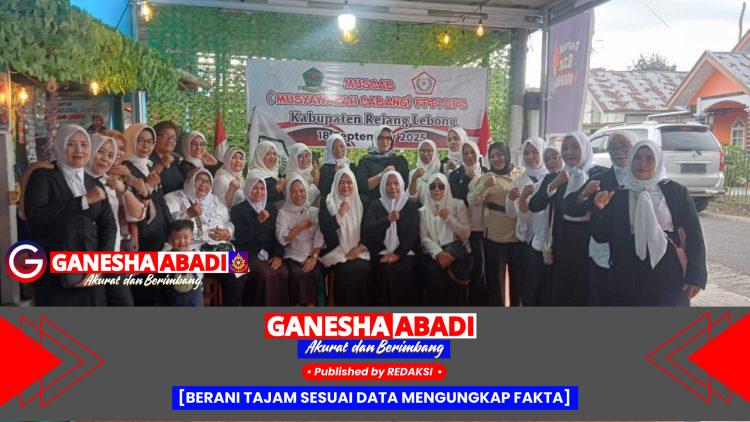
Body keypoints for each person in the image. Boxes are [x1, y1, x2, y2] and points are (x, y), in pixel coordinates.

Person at [591, 140, 706, 306]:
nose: (642, 163)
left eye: (649, 158)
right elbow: (601, 236)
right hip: (627, 275)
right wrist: (599, 210)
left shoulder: (675, 192)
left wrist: (695, 276)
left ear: (658, 161)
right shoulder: (618, 194)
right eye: (637, 158)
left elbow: (694, 233)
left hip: (668, 275)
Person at [24, 124, 116, 306]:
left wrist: (100, 265)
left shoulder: (94, 183)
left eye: (84, 144)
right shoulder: (43, 176)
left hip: (91, 275)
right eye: (71, 144)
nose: (79, 150)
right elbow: (36, 214)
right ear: (60, 146)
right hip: (55, 275)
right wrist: (83, 201)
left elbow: (109, 227)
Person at [564, 131, 636, 305]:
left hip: (635, 259)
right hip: (602, 256)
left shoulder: (649, 181)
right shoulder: (600, 180)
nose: (619, 151)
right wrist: (584, 193)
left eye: (624, 146)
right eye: (613, 147)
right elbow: (568, 206)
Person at [528, 131, 596, 306]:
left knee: (584, 297)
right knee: (560, 296)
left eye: (575, 147)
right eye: (565, 148)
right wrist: (553, 185)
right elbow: (534, 205)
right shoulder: (556, 177)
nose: (569, 152)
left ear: (585, 148)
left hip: (588, 249)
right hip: (561, 248)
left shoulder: (597, 176)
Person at [85, 133, 146, 306]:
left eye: (112, 153)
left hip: (115, 253)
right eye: (100, 151)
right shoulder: (77, 179)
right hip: (90, 254)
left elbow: (138, 214)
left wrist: (123, 189)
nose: (106, 158)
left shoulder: (112, 180)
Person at [122, 123, 174, 305]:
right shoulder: (125, 169)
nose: (146, 145)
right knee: (145, 291)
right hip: (142, 236)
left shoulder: (147, 165)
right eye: (141, 141)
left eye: (150, 141)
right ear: (130, 141)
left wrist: (170, 227)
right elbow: (130, 203)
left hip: (159, 233)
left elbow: (160, 201)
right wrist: (149, 184)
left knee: (159, 289)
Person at [468, 142, 523, 306]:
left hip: (518, 235)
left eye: (499, 154)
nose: (496, 159)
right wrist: (485, 185)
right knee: (495, 283)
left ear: (507, 155)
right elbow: (472, 200)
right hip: (494, 236)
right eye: (492, 156)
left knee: (518, 281)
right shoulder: (487, 177)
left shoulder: (519, 173)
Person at [230, 176, 289, 306]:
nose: (259, 192)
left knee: (283, 271)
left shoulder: (271, 208)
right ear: (248, 189)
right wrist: (258, 221)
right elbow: (240, 237)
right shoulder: (238, 210)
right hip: (247, 253)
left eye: (262, 188)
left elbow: (277, 234)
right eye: (255, 188)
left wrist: (278, 255)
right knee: (265, 273)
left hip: (268, 251)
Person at [363, 171, 420, 305]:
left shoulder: (410, 205)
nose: (392, 187)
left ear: (401, 184)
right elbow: (367, 230)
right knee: (384, 271)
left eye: (396, 183)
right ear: (383, 186)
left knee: (405, 270)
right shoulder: (376, 205)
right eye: (388, 184)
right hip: (381, 251)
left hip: (405, 252)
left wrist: (397, 254)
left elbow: (412, 234)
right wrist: (387, 220)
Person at [504, 137, 549, 306]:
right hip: (525, 240)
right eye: (527, 153)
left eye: (535, 152)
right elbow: (511, 214)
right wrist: (511, 199)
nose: (530, 157)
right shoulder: (519, 180)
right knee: (525, 285)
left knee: (544, 285)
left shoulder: (551, 177)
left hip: (547, 239)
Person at [319, 168, 371, 306]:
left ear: (354, 183)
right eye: (341, 182)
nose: (345, 185)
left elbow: (369, 229)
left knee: (364, 268)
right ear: (335, 183)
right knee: (345, 270)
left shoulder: (364, 201)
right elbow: (326, 230)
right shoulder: (327, 202)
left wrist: (360, 248)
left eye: (349, 182)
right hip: (336, 250)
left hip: (360, 249)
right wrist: (340, 213)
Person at [419, 173, 471, 306]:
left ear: (447, 187)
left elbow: (466, 233)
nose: (436, 189)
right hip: (434, 254)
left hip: (456, 253)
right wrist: (439, 253)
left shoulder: (457, 204)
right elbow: (424, 238)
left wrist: (448, 217)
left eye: (441, 186)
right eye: (432, 186)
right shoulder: (423, 211)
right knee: (433, 280)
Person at [522, 144, 562, 306]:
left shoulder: (573, 180)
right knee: (533, 291)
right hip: (539, 244)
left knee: (551, 292)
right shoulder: (544, 181)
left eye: (555, 157)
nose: (550, 162)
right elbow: (533, 205)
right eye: (547, 159)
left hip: (560, 246)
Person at [276, 175, 325, 306]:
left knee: (314, 272)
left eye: (301, 190)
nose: (298, 194)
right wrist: (300, 227)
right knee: (295, 273)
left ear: (306, 192)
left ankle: (311, 307)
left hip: (311, 253)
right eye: (294, 191)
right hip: (292, 254)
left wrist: (314, 257)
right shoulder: (283, 212)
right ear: (288, 193)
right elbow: (281, 238)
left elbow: (319, 236)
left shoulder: (314, 211)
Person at [448, 141, 486, 305]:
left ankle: (478, 304)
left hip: (483, 228)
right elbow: (455, 200)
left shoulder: (485, 172)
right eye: (465, 153)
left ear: (478, 153)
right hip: (462, 229)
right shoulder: (455, 175)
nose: (469, 156)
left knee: (480, 268)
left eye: (472, 152)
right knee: (464, 268)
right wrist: (466, 179)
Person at [164, 167, 234, 250]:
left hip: (220, 247)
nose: (203, 184)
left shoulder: (215, 200)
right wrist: (188, 215)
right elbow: (166, 225)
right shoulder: (175, 198)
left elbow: (228, 222)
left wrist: (227, 232)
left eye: (207, 181)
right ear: (190, 181)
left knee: (240, 258)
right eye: (199, 180)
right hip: (189, 248)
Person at [355, 125, 410, 201]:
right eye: (381, 138)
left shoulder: (399, 160)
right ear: (375, 139)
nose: (385, 141)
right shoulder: (365, 161)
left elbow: (406, 186)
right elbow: (362, 187)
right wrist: (382, 174)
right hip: (373, 204)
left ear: (392, 140)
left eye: (388, 138)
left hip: (397, 203)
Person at [160, 220, 204, 306]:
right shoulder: (167, 255)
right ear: (171, 240)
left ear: (192, 239)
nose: (182, 241)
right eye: (177, 238)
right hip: (174, 299)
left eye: (186, 237)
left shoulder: (197, 254)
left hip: (195, 298)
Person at [150, 120, 185, 194]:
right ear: (155, 137)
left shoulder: (175, 159)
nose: (170, 140)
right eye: (166, 136)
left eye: (173, 137)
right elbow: (148, 181)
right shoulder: (148, 160)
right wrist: (162, 163)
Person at [319, 134, 356, 202]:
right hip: (332, 202)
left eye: (341, 146)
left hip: (351, 201)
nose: (339, 150)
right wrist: (335, 173)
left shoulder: (351, 165)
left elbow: (358, 186)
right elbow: (323, 191)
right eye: (334, 148)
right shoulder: (325, 167)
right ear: (330, 149)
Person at [248, 141, 285, 205]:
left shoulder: (277, 173)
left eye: (274, 154)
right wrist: (277, 188)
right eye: (267, 154)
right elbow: (256, 200)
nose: (272, 157)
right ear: (259, 156)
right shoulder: (254, 176)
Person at [408, 139, 441, 205]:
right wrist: (414, 178)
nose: (425, 154)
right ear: (419, 152)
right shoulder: (413, 173)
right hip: (419, 209)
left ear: (434, 152)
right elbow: (412, 197)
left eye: (429, 150)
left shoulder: (441, 171)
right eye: (423, 150)